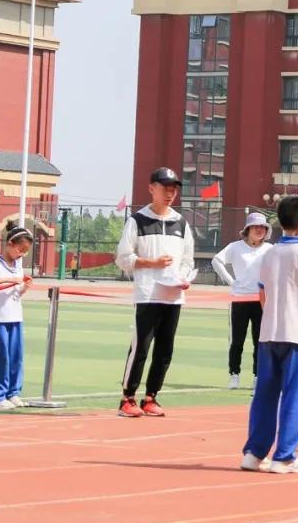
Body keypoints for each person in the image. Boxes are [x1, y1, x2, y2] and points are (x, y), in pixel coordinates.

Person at [241, 196, 298, 474]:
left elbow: (262, 293)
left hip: (270, 332)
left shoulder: (269, 253)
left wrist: (274, 313)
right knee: (295, 395)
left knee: (265, 394)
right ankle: (285, 455)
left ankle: (254, 453)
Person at [114, 167, 195, 417]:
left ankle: (151, 397)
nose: (170, 193)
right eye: (165, 188)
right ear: (151, 188)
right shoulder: (137, 221)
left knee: (165, 349)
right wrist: (151, 263)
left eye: (173, 189)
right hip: (148, 293)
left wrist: (183, 277)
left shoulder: (181, 223)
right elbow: (123, 258)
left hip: (173, 296)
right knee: (141, 347)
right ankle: (127, 398)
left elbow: (188, 260)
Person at [212, 212, 273, 390]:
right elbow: (217, 261)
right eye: (256, 227)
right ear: (248, 229)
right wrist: (231, 281)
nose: (259, 230)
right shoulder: (235, 247)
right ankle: (234, 374)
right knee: (237, 340)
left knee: (260, 340)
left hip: (262, 300)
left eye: (263, 227)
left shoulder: (270, 249)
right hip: (239, 299)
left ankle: (257, 376)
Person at [0, 226, 34, 410]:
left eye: (25, 252)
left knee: (15, 357)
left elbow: (16, 292)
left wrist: (24, 286)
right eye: (20, 249)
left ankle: (13, 392)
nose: (21, 254)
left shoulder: (17, 266)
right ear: (10, 244)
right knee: (0, 357)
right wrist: (10, 281)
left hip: (15, 317)